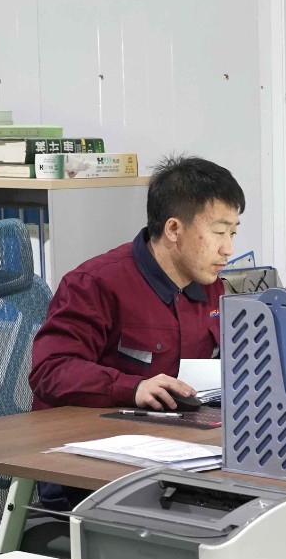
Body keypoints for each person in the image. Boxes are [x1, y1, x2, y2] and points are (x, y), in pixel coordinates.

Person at [29, 154, 243, 412]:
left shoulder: (210, 285)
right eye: (219, 232)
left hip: (174, 427)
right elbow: (50, 370)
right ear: (173, 229)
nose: (228, 249)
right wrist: (133, 388)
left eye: (233, 233)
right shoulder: (94, 283)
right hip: (94, 430)